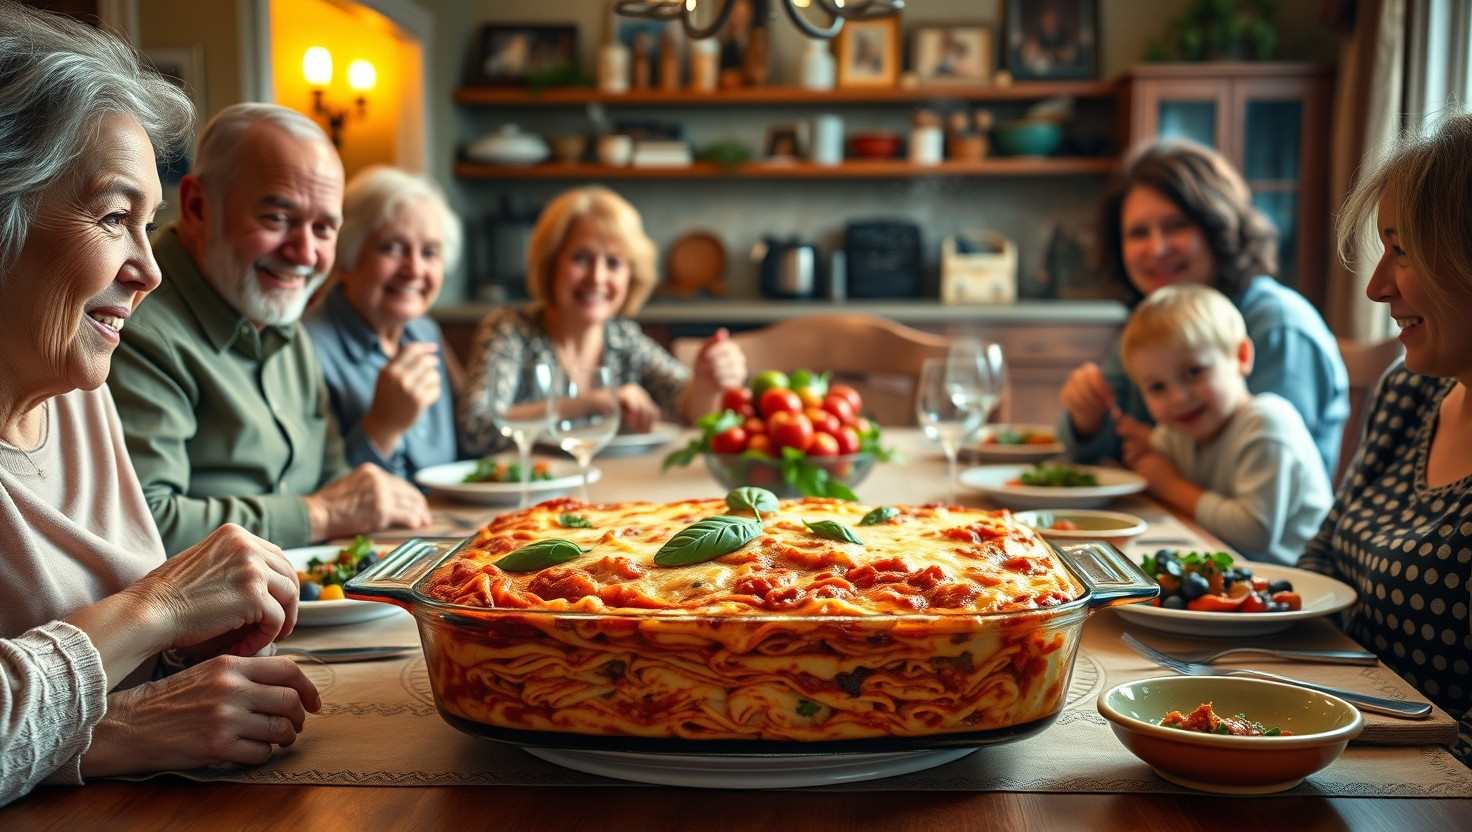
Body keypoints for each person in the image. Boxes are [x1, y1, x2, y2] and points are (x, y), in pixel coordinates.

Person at [0, 2, 318, 805]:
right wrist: (121, 717)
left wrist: (184, 645)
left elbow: (106, 635)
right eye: (114, 218)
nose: (150, 268)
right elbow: (134, 617)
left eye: (150, 223)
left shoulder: (70, 382)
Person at [107, 103, 430, 557]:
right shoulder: (132, 325)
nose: (304, 252)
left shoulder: (280, 318)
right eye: (278, 219)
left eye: (324, 228)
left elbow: (335, 479)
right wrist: (318, 515)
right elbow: (145, 526)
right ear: (198, 207)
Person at [1298, 111, 1472, 767]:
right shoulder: (1412, 390)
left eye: (1401, 251)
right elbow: (1323, 561)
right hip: (1332, 731)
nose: (1376, 288)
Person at [1059, 140, 1349, 478]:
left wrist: (1160, 467)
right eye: (1139, 232)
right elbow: (1092, 448)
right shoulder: (1155, 324)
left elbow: (1269, 480)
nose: (1157, 248)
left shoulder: (1278, 326)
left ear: (1218, 228)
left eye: (1177, 226)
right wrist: (1086, 417)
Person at [459, 186, 746, 457]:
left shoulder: (624, 339)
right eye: (581, 258)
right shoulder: (510, 329)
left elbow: (692, 409)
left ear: (631, 274)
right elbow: (475, 429)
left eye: (614, 263)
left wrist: (709, 380)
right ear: (551, 263)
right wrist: (592, 402)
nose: (597, 278)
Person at [1114, 286, 1331, 565]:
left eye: (1193, 372)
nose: (1179, 398)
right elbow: (1154, 466)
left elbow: (1254, 534)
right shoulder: (1178, 431)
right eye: (1157, 387)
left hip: (1293, 583)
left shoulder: (1266, 425)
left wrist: (1170, 486)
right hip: (1228, 569)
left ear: (1241, 357)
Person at [303, 166, 463, 483]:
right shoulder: (305, 346)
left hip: (446, 525)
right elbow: (314, 492)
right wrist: (383, 428)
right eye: (392, 247)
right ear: (348, 258)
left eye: (430, 252)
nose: (415, 269)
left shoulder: (424, 331)